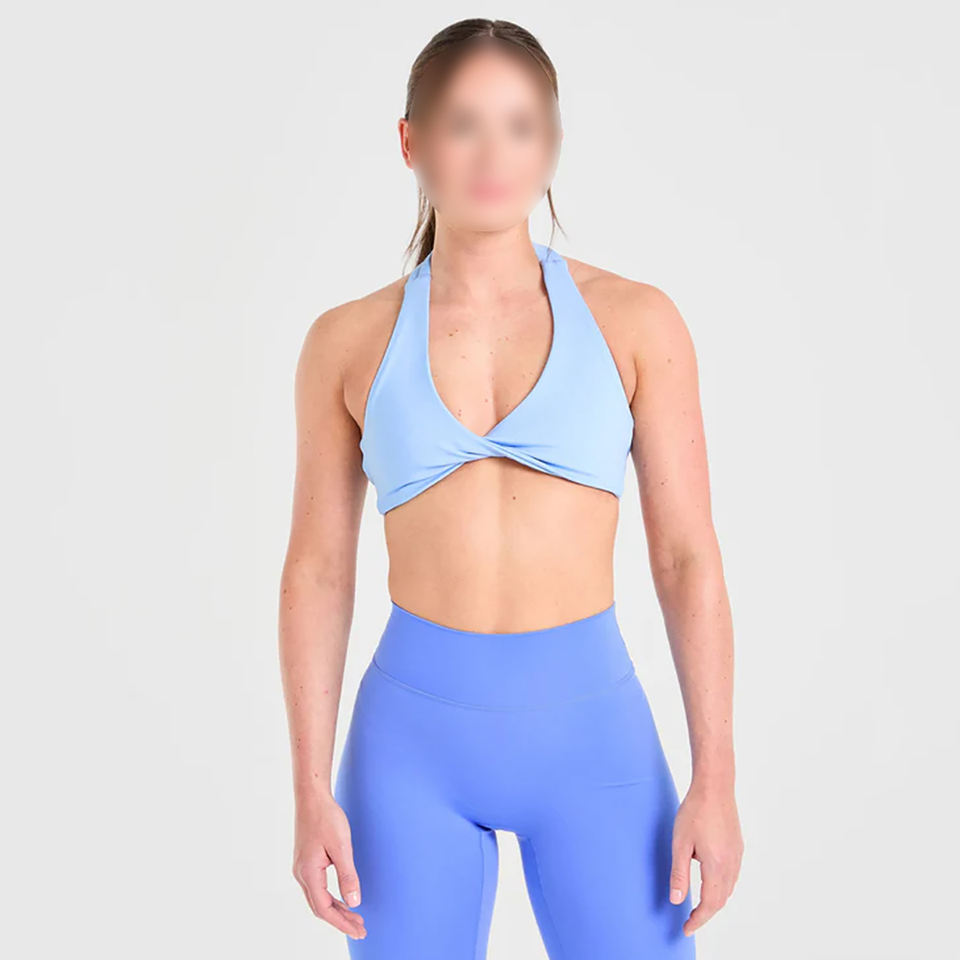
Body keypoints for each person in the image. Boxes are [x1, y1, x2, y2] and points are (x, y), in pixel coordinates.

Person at [278, 18, 742, 960]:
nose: (493, 155)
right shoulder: (345, 341)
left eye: (521, 127)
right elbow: (318, 572)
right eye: (463, 125)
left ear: (553, 143)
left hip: (594, 744)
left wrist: (718, 779)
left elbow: (687, 557)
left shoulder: (637, 322)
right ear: (410, 141)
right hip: (409, 753)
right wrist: (309, 789)